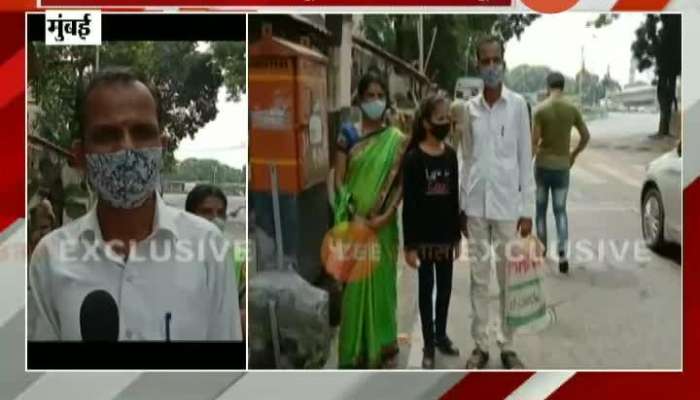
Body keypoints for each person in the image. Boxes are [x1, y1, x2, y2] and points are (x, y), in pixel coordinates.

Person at [28, 67, 242, 342]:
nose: (127, 148)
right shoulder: (50, 258)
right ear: (80, 156)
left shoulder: (210, 248)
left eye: (142, 132)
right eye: (107, 135)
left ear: (161, 148)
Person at [460, 35, 535, 369]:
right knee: (478, 279)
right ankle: (480, 345)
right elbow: (467, 158)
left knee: (507, 280)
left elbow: (524, 158)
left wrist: (528, 209)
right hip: (476, 207)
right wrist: (462, 206)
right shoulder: (469, 109)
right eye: (485, 61)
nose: (491, 67)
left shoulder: (518, 105)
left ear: (503, 62)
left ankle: (507, 344)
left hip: (507, 207)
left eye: (495, 60)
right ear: (477, 65)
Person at [333, 71, 409, 368]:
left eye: (380, 96)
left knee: (383, 287)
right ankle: (354, 352)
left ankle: (383, 345)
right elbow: (339, 180)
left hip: (384, 226)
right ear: (359, 99)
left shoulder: (397, 140)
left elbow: (401, 184)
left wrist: (386, 215)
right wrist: (352, 212)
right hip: (355, 224)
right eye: (369, 96)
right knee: (353, 288)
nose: (375, 101)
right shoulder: (348, 135)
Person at [402, 93, 461, 369]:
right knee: (426, 290)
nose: (446, 122)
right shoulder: (413, 159)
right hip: (424, 239)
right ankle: (427, 344)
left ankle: (440, 335)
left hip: (445, 238)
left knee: (446, 289)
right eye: (440, 118)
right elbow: (410, 205)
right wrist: (409, 246)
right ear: (426, 123)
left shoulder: (450, 156)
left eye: (448, 118)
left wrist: (457, 237)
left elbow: (453, 200)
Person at [532, 72, 590, 274]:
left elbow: (534, 142)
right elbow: (585, 136)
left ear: (548, 87)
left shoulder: (540, 110)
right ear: (563, 87)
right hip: (562, 167)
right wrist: (573, 155)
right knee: (560, 211)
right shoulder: (572, 109)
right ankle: (563, 253)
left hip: (542, 166)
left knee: (540, 210)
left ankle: (541, 250)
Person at [185, 184, 246, 333]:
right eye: (206, 212)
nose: (215, 219)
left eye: (220, 213)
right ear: (189, 215)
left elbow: (245, 304)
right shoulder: (171, 252)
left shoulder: (239, 255)